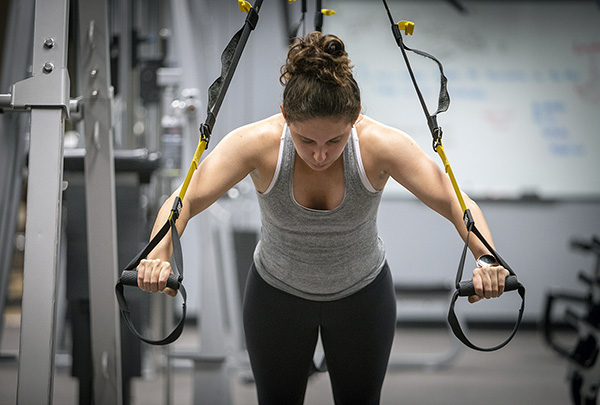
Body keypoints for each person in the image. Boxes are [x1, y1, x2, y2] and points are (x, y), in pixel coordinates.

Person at [137, 32, 510, 405]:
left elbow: (455, 201)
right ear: (285, 117)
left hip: (362, 296)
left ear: (354, 120)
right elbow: (182, 201)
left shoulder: (379, 145)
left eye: (334, 141)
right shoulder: (257, 144)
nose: (319, 155)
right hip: (276, 296)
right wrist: (157, 254)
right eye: (306, 141)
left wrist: (487, 258)